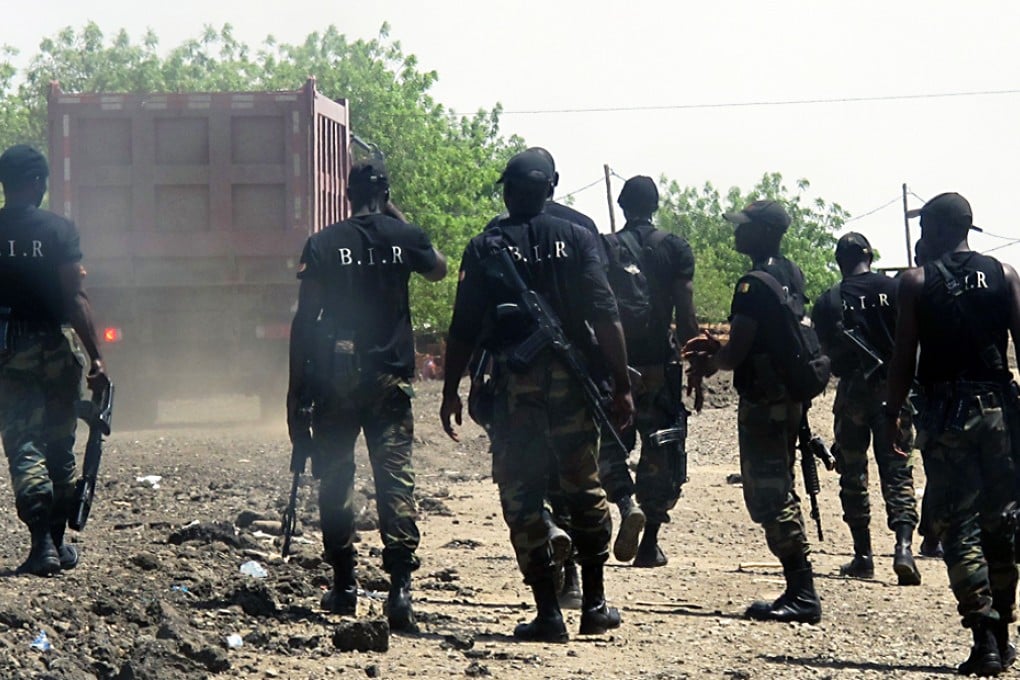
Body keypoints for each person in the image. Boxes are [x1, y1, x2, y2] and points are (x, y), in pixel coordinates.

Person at [441, 149, 634, 642]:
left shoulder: (486, 246)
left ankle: (548, 612)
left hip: (513, 387)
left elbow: (463, 328)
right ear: (553, 185)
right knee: (584, 486)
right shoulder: (578, 237)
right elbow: (605, 312)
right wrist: (622, 385)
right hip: (571, 383)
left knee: (522, 493)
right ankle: (594, 604)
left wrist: (451, 390)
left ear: (508, 189)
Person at [287, 160, 447, 632]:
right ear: (385, 193)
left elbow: (304, 320)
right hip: (389, 380)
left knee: (336, 478)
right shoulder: (407, 236)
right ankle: (399, 590)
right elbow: (438, 269)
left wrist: (295, 390)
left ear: (347, 194)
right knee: (394, 479)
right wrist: (393, 212)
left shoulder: (323, 243)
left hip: (335, 383)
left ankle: (344, 585)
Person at [885, 192, 1020, 676]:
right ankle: (1002, 633)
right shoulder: (1005, 276)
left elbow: (904, 359)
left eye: (925, 227)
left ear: (943, 228)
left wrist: (893, 411)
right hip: (1000, 415)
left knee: (957, 527)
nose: (921, 236)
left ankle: (984, 636)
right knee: (1002, 524)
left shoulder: (915, 282)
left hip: (947, 417)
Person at [683, 200, 822, 624]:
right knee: (782, 484)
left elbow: (737, 352)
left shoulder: (751, 284)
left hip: (764, 400)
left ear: (763, 231)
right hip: (790, 397)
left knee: (767, 495)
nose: (736, 233)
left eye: (743, 227)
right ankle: (799, 587)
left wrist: (711, 362)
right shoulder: (790, 273)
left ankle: (802, 592)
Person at [0, 144, 107, 576]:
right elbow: (74, 297)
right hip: (56, 348)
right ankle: (58, 544)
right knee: (60, 444)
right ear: (38, 182)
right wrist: (97, 358)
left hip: (8, 352)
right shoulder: (60, 231)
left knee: (24, 444)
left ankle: (43, 543)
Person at [597, 175, 698, 568]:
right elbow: (686, 314)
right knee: (662, 449)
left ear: (622, 207)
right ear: (655, 206)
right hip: (660, 361)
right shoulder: (674, 248)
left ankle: (624, 504)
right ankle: (650, 542)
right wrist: (697, 360)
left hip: (615, 365)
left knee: (610, 444)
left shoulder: (605, 247)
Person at [810, 232, 921, 585]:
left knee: (852, 472)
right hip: (896, 388)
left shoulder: (829, 300)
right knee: (898, 469)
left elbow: (824, 354)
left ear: (840, 260)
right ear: (869, 255)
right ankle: (903, 548)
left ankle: (863, 555)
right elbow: (914, 340)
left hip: (853, 392)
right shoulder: (897, 288)